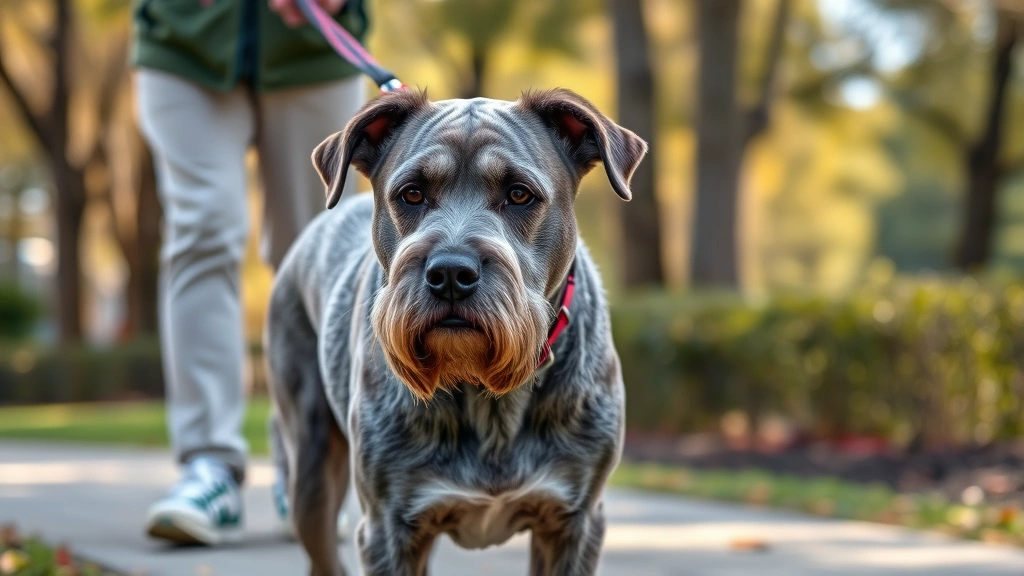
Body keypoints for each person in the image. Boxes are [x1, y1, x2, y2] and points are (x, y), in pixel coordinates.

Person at [132, 0, 368, 545]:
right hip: (181, 41)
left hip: (314, 44)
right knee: (202, 229)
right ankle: (208, 465)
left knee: (319, 243)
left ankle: (307, 465)